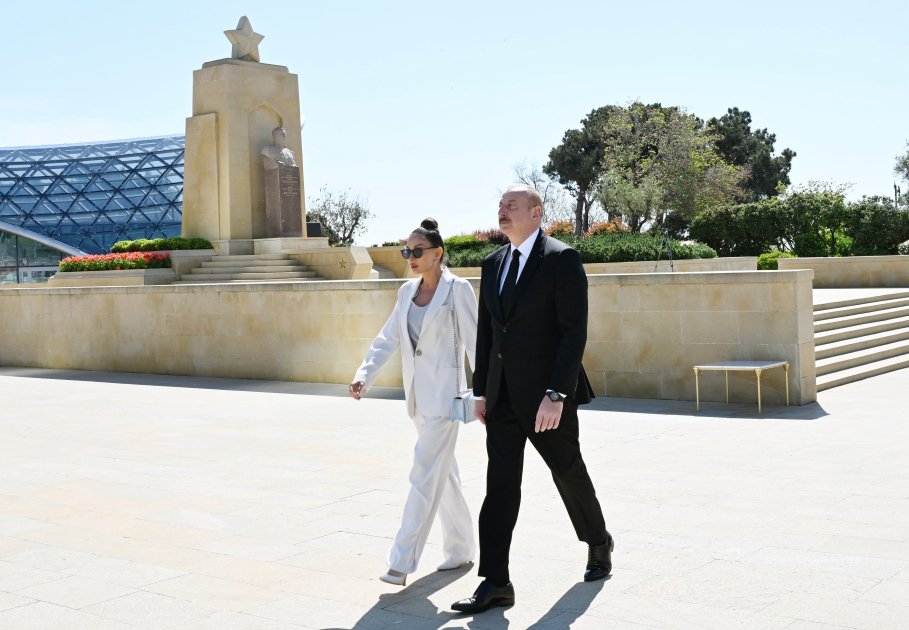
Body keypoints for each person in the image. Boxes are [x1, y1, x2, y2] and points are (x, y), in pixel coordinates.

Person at [451, 185, 612, 614]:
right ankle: (495, 581)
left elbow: (572, 332)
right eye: (501, 205)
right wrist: (482, 390)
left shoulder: (562, 259)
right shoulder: (493, 263)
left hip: (546, 399)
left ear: (536, 213)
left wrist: (557, 394)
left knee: (567, 471)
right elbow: (488, 333)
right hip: (502, 398)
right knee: (500, 486)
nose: (502, 211)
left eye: (511, 206)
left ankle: (598, 541)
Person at [350, 218, 478, 586]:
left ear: (438, 253)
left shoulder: (458, 290)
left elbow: (476, 344)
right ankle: (461, 549)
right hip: (418, 401)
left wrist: (484, 394)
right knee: (444, 474)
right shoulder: (406, 292)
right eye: (407, 251)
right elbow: (388, 337)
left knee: (423, 474)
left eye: (418, 251)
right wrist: (365, 375)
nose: (411, 257)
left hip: (446, 400)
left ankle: (401, 560)